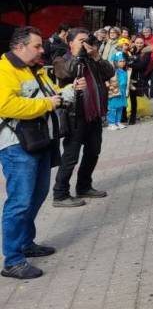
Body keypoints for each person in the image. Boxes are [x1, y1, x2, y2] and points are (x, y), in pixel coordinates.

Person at [0, 26, 63, 279]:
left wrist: (62, 94)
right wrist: (47, 103)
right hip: (17, 144)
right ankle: (13, 260)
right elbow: (6, 104)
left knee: (37, 195)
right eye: (37, 46)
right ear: (19, 47)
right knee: (20, 202)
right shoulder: (5, 69)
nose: (41, 50)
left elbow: (50, 93)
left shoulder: (34, 68)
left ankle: (26, 242)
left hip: (39, 140)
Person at [52, 28, 115, 207]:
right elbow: (67, 73)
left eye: (87, 40)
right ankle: (60, 194)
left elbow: (109, 72)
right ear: (70, 43)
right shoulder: (61, 60)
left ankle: (84, 186)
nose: (85, 43)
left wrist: (96, 56)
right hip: (74, 115)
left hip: (94, 114)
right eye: (81, 40)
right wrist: (79, 55)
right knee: (71, 156)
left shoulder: (91, 59)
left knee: (93, 152)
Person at [127, 36, 151, 126]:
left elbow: (141, 65)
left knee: (133, 98)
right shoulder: (132, 51)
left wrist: (130, 64)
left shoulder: (146, 52)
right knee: (126, 96)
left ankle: (133, 117)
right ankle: (124, 116)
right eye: (137, 42)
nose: (139, 44)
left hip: (137, 78)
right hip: (128, 77)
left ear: (143, 43)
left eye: (141, 43)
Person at [106, 52, 129, 131]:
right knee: (113, 107)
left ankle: (118, 121)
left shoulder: (125, 71)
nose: (122, 63)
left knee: (120, 107)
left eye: (123, 61)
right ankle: (111, 123)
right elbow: (107, 80)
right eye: (120, 61)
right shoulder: (113, 71)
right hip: (115, 92)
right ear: (116, 62)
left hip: (122, 91)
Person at [141, 26, 153, 99]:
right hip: (144, 62)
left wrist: (145, 43)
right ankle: (145, 93)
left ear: (151, 32)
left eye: (147, 32)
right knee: (144, 79)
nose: (145, 33)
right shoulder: (141, 39)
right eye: (144, 32)